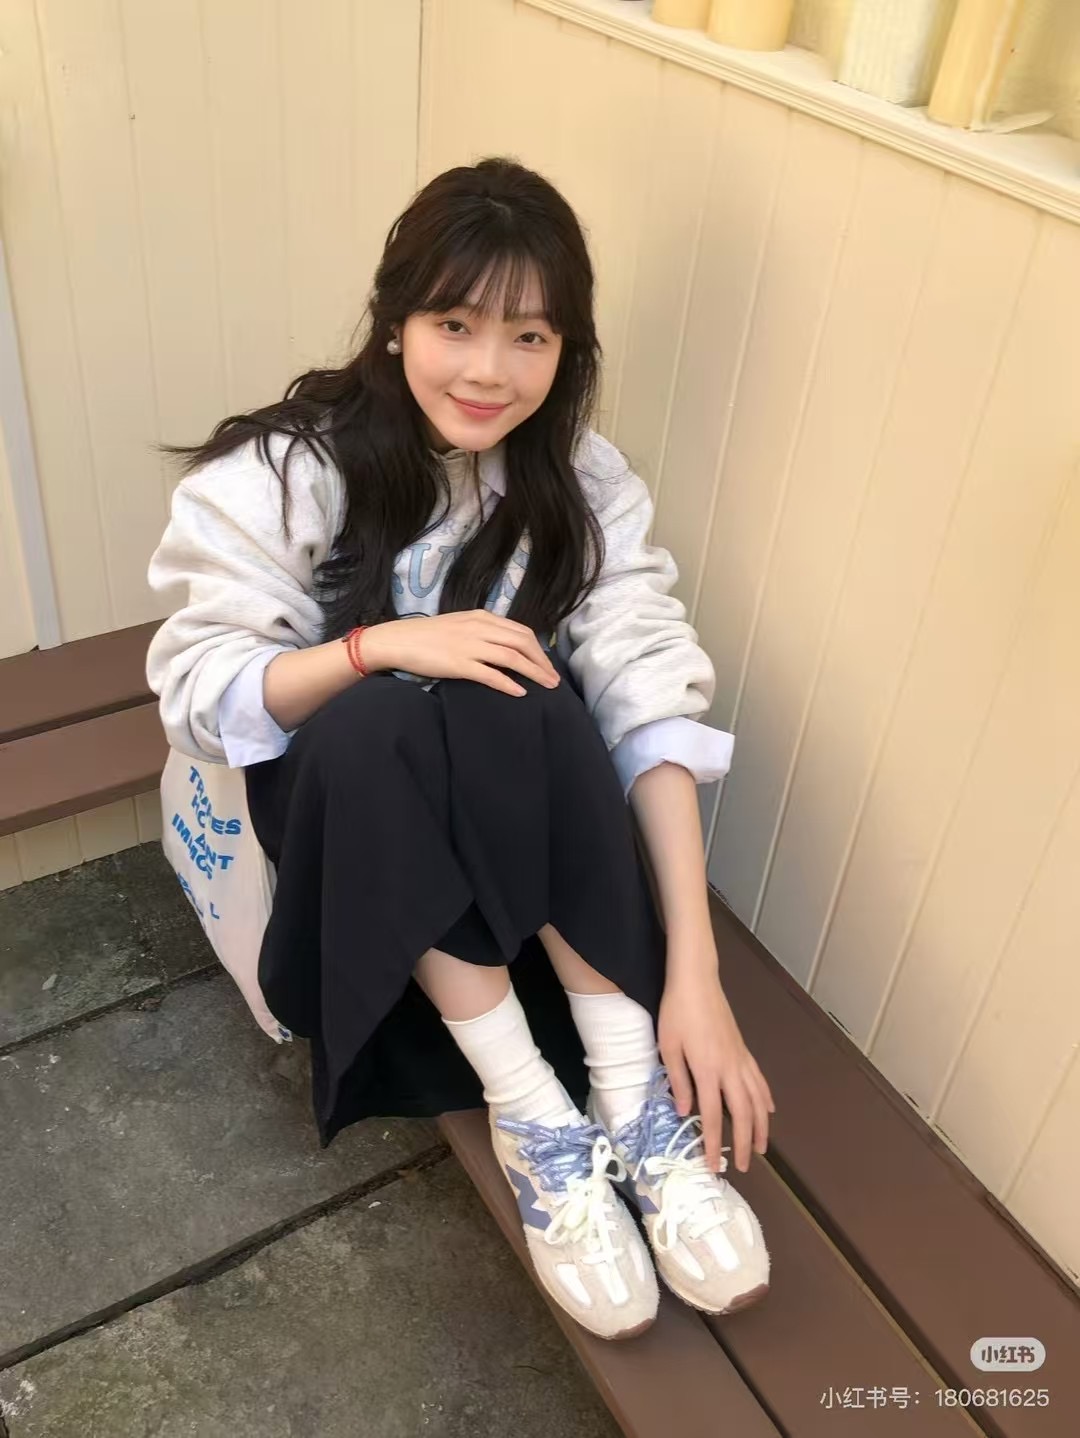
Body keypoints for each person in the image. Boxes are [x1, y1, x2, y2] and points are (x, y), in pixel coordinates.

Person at [146, 156, 776, 1341]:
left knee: (521, 681)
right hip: (357, 863)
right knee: (390, 709)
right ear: (395, 323)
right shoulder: (288, 470)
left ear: (566, 351)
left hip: (522, 866)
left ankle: (631, 1097)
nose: (489, 370)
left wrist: (695, 972)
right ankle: (533, 1114)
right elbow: (199, 693)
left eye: (529, 336)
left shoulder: (576, 481)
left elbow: (647, 694)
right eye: (455, 324)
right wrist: (380, 646)